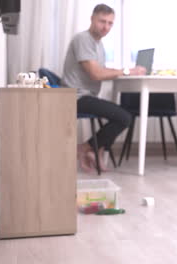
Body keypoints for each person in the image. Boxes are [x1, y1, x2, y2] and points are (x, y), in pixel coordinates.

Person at [61, 4, 146, 173]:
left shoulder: (98, 44)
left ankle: (94, 150)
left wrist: (123, 72)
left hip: (86, 96)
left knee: (121, 115)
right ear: (92, 19)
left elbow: (101, 71)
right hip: (75, 97)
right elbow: (96, 74)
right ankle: (85, 148)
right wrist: (127, 71)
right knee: (124, 117)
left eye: (110, 23)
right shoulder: (83, 39)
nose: (106, 27)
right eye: (102, 21)